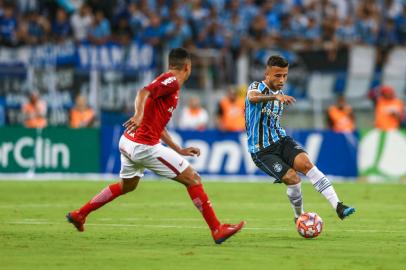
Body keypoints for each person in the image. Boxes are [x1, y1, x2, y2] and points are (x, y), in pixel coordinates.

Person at [66, 48, 244, 244]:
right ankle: (217, 229)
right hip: (144, 146)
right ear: (188, 67)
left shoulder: (167, 84)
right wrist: (138, 114)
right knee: (193, 178)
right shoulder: (172, 81)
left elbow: (158, 126)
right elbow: (143, 92)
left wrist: (179, 150)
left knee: (127, 186)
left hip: (128, 142)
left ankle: (80, 214)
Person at [244, 55, 355, 223]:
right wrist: (275, 97)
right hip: (261, 150)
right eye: (277, 75)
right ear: (267, 74)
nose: (282, 80)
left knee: (307, 165)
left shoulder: (281, 95)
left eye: (285, 75)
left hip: (281, 140)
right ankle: (299, 216)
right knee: (292, 179)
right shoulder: (257, 87)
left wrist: (278, 97)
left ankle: (338, 206)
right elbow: (253, 98)